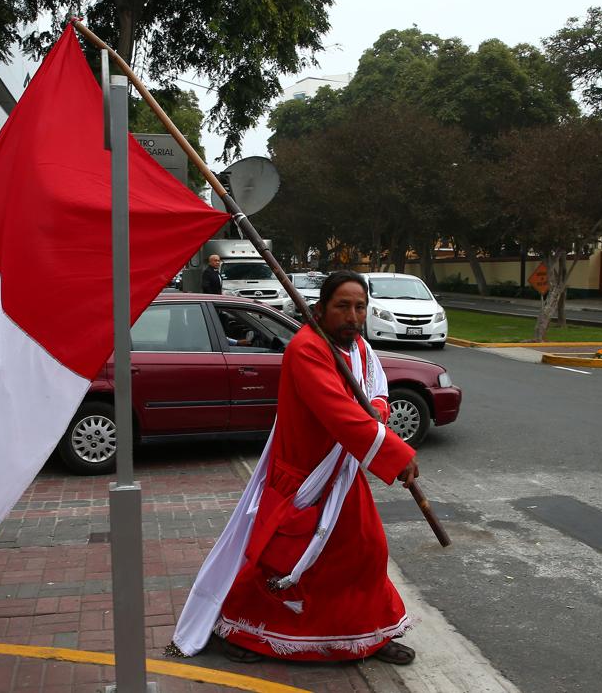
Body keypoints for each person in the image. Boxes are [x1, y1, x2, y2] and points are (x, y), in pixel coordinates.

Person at [171, 270, 419, 666]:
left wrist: (379, 410)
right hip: (304, 477)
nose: (353, 316)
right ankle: (238, 626)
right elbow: (339, 414)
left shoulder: (357, 348)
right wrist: (396, 454)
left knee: (366, 552)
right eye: (343, 307)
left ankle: (371, 632)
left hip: (340, 472)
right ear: (320, 309)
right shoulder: (307, 349)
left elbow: (375, 388)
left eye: (360, 307)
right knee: (279, 559)